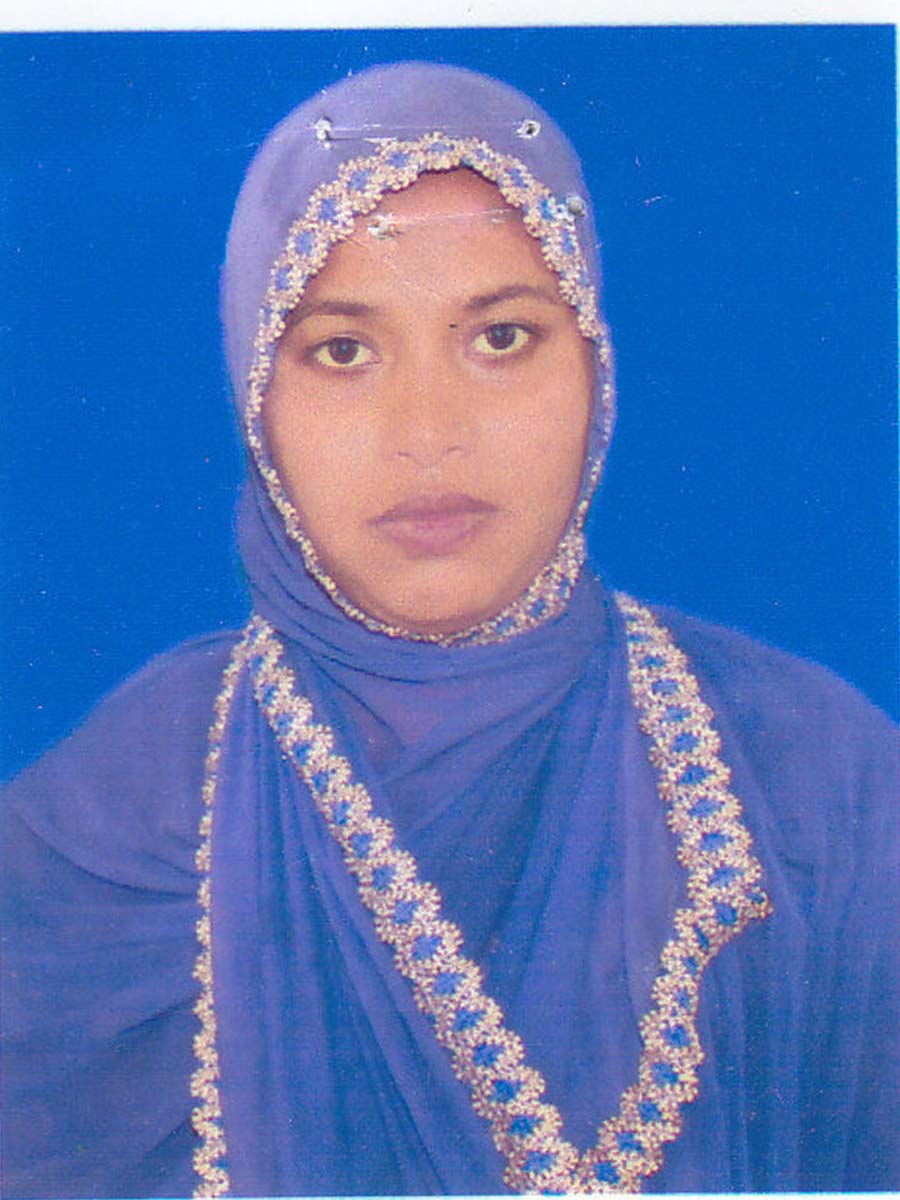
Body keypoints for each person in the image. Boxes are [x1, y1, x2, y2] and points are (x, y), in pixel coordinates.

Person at [1, 61, 896, 1199]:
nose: (429, 432)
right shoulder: (97, 833)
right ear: (254, 393)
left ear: (596, 366)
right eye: (343, 351)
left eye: (503, 337)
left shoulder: (818, 778)